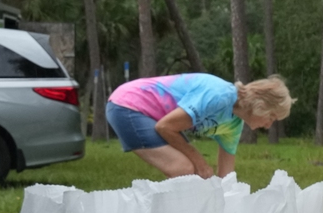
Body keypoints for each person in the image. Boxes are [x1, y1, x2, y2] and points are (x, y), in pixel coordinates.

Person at [107, 73, 291, 180]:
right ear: (261, 106)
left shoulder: (234, 124)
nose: (268, 126)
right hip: (128, 105)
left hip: (150, 116)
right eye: (272, 117)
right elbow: (165, 127)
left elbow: (226, 178)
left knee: (194, 176)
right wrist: (200, 162)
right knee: (183, 168)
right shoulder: (220, 97)